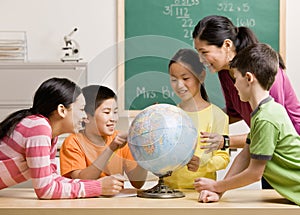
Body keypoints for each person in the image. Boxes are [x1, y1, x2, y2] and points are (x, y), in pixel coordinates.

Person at [192, 15, 300, 189]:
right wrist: (195, 122)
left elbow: (270, 130)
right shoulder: (225, 72)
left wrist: (225, 141)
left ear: (227, 45)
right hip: (267, 151)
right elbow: (233, 115)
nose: (200, 59)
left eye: (204, 52)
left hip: (289, 154)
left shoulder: (263, 76)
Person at [0, 77, 125, 199]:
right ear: (62, 110)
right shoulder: (38, 127)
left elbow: (53, 179)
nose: (84, 116)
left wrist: (98, 185)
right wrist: (98, 187)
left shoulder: (49, 134)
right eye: (81, 109)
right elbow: (46, 190)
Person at [163, 48, 230, 189]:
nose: (179, 85)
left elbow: (223, 157)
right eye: (174, 79)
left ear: (201, 76)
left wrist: (203, 163)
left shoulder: (217, 116)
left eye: (185, 78)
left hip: (200, 192)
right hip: (169, 193)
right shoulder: (168, 115)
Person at [59, 85, 147, 189]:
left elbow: (138, 183)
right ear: (86, 117)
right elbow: (81, 182)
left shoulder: (120, 139)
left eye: (115, 112)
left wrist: (142, 153)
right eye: (106, 112)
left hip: (115, 204)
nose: (113, 118)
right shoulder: (73, 142)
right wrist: (111, 148)